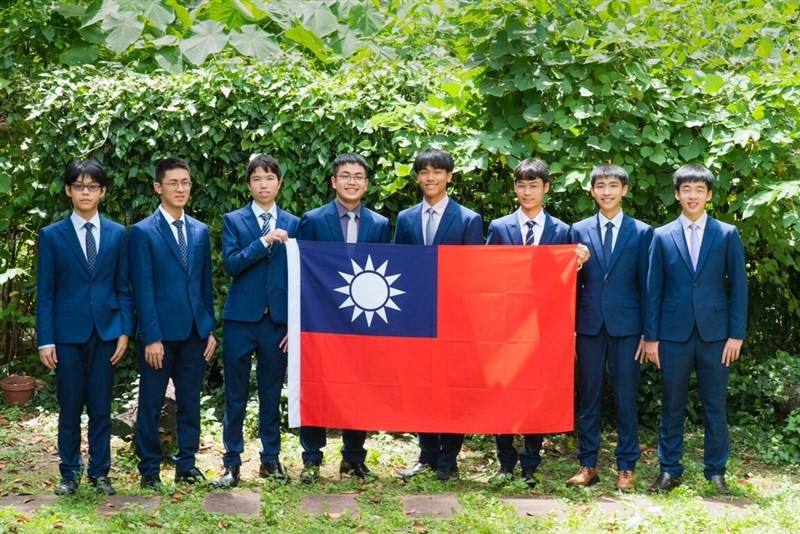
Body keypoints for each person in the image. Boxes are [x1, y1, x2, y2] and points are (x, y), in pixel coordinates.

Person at [485, 157, 588, 487]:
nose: (527, 192)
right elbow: (487, 278)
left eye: (533, 185)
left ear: (546, 188)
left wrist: (578, 263)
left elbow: (566, 284)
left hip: (545, 329)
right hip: (505, 328)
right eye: (521, 185)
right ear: (514, 188)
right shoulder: (500, 227)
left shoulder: (561, 230)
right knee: (503, 393)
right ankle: (505, 463)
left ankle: (530, 463)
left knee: (537, 394)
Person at [644, 164, 747, 495]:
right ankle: (669, 469)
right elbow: (652, 290)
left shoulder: (727, 234)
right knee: (671, 403)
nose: (692, 196)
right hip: (672, 335)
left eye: (699, 190)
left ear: (709, 195)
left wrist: (737, 334)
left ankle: (716, 471)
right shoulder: (660, 236)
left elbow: (739, 288)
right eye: (686, 190)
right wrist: (651, 337)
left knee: (715, 405)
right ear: (677, 194)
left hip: (716, 335)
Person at [36, 159, 134, 496]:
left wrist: (124, 330)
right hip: (66, 335)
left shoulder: (119, 234)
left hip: (107, 332)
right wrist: (45, 340)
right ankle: (69, 472)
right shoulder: (51, 236)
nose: (86, 192)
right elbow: (45, 292)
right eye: (79, 186)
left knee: (100, 405)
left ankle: (100, 472)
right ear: (68, 191)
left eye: (92, 186)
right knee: (70, 404)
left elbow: (123, 286)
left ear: (103, 191)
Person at [296, 153, 391, 483]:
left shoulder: (379, 224)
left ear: (366, 184)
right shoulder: (312, 219)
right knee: (317, 386)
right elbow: (301, 273)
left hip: (363, 323)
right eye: (345, 176)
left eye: (358, 177)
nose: (352, 181)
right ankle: (311, 459)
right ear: (334, 182)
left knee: (359, 388)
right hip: (320, 321)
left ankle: (353, 457)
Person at [395, 148, 483, 482]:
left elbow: (475, 274)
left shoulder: (468, 219)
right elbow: (398, 270)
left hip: (456, 319)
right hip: (417, 318)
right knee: (422, 388)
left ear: (449, 176)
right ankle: (426, 455)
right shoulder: (405, 219)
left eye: (437, 172)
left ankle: (450, 459)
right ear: (417, 177)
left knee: (453, 389)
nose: (430, 178)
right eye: (424, 172)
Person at [129, 157, 217, 490]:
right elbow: (143, 288)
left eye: (186, 183)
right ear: (158, 188)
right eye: (173, 183)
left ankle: (187, 465)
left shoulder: (200, 230)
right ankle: (149, 470)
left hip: (194, 333)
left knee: (190, 402)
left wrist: (208, 328)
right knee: (151, 404)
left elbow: (205, 284)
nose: (180, 189)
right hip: (159, 337)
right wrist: (151, 337)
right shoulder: (142, 232)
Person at [212, 155, 299, 488]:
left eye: (270, 178)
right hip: (240, 319)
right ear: (249, 184)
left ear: (279, 182)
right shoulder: (234, 220)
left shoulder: (295, 222)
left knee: (270, 392)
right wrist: (263, 242)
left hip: (276, 322)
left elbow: (300, 278)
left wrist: (294, 323)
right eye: (257, 179)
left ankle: (271, 459)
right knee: (234, 393)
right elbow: (232, 265)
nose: (263, 184)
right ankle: (231, 463)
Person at [567, 164, 652, 491]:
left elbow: (647, 285)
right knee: (588, 396)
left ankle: (626, 468)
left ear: (625, 190)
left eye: (613, 185)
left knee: (626, 397)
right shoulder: (579, 229)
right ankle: (588, 464)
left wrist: (648, 332)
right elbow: (569, 284)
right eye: (600, 186)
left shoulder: (642, 231)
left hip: (628, 327)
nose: (606, 191)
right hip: (588, 325)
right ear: (591, 191)